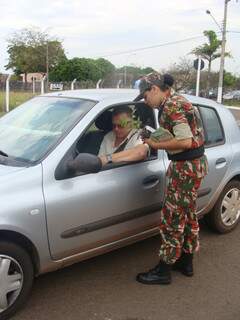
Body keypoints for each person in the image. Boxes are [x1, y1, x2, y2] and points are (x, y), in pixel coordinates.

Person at [134, 72, 208, 285]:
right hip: (193, 165)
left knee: (172, 218)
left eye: (146, 96)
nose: (146, 102)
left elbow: (184, 141)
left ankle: (163, 270)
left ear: (155, 90)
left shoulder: (173, 106)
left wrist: (154, 144)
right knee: (187, 214)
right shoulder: (176, 101)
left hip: (184, 168)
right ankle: (186, 260)